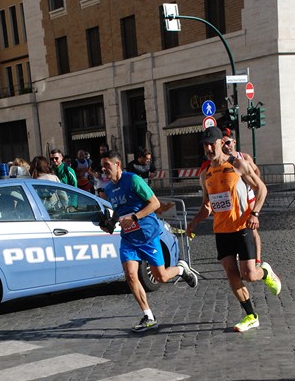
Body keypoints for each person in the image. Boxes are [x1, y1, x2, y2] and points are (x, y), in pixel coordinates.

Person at [186, 126, 281, 333]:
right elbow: (207, 205)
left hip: (242, 227)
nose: (209, 148)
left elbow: (262, 189)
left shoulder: (237, 164)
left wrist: (255, 213)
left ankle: (264, 271)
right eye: (205, 145)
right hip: (221, 231)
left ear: (222, 142)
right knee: (231, 274)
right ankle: (251, 315)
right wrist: (193, 223)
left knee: (249, 274)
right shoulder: (205, 175)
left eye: (212, 143)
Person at [100, 150, 197, 333]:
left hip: (148, 235)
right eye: (102, 165)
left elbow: (155, 204)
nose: (104, 169)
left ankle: (181, 269)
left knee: (160, 277)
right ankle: (149, 316)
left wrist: (135, 218)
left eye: (107, 165)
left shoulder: (133, 180)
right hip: (128, 239)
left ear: (117, 164)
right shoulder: (109, 190)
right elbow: (118, 212)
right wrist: (110, 224)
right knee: (130, 275)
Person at [222, 133, 263, 266]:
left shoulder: (244, 157)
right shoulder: (224, 160)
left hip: (249, 199)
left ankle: (257, 260)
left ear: (234, 142)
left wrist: (251, 183)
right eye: (223, 144)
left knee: (252, 230)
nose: (227, 146)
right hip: (235, 201)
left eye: (228, 142)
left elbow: (256, 171)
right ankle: (243, 255)